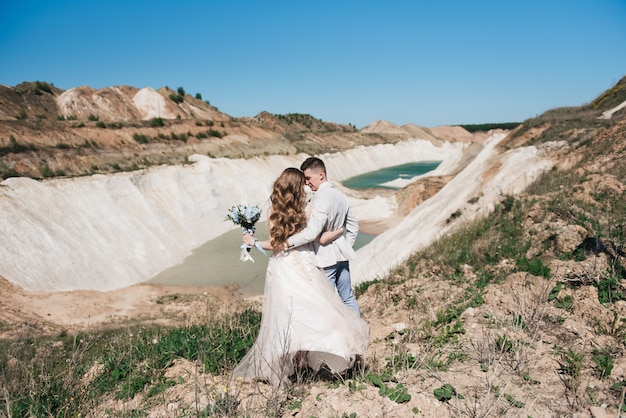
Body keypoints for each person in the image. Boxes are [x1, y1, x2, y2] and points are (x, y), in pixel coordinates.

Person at [232, 168, 369, 388]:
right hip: (305, 263)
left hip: (283, 266)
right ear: (298, 188)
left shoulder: (272, 211)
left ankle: (294, 365)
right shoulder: (307, 209)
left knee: (285, 316)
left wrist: (252, 242)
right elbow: (315, 236)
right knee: (314, 308)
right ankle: (306, 361)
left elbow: (275, 245)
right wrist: (339, 231)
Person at [286, 157, 361, 314]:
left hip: (325, 259)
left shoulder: (321, 197)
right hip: (342, 256)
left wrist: (287, 243)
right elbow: (353, 227)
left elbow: (313, 232)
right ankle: (359, 333)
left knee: (327, 302)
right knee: (347, 297)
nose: (306, 183)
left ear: (321, 175)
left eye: (308, 178)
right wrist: (346, 246)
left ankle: (338, 336)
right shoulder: (340, 195)